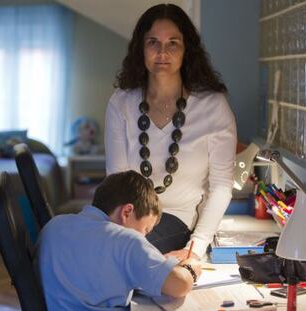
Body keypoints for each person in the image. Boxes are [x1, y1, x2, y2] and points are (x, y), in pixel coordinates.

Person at [105, 3, 237, 259]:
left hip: (177, 218)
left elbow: (221, 186)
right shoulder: (121, 103)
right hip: (125, 217)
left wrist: (195, 248)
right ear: (140, 49)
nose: (162, 52)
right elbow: (116, 181)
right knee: (82, 250)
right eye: (153, 42)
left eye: (173, 43)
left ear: (187, 49)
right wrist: (120, 230)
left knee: (122, 259)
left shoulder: (213, 105)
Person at [36, 170, 202, 311]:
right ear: (127, 212)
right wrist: (190, 266)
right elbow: (179, 285)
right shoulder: (127, 240)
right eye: (145, 230)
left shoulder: (53, 226)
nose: (144, 238)